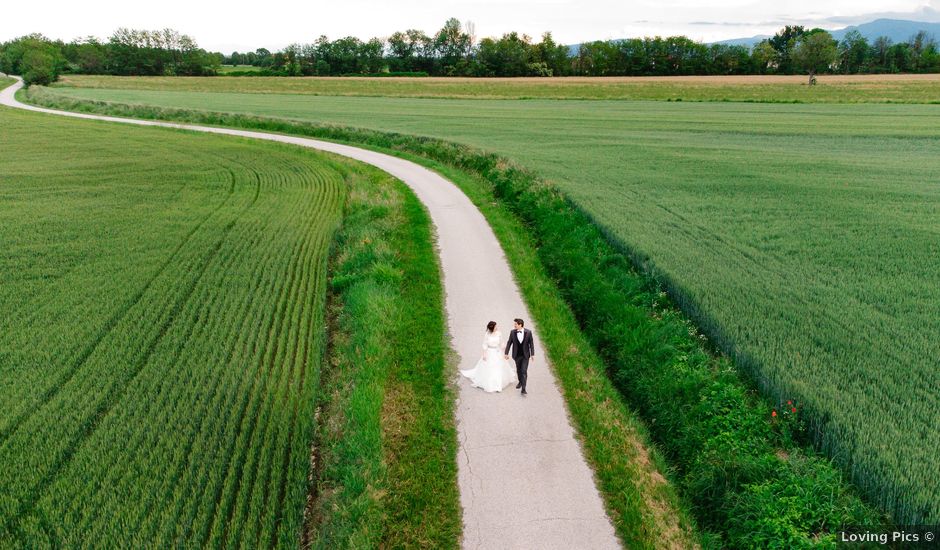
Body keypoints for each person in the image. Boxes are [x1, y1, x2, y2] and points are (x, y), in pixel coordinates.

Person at [460, 321, 518, 393]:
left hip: (497, 352)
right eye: (496, 326)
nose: (497, 327)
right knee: (489, 367)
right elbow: (485, 344)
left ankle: (498, 385)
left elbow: (501, 343)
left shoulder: (499, 333)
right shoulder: (487, 334)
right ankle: (491, 384)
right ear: (492, 328)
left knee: (498, 367)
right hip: (490, 352)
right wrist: (484, 354)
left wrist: (505, 353)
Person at [504, 318, 535, 395]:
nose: (514, 325)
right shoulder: (512, 332)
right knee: (518, 370)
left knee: (524, 371)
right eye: (514, 324)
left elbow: (531, 344)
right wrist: (506, 353)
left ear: (520, 325)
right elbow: (509, 343)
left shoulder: (528, 332)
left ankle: (524, 388)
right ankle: (520, 382)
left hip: (525, 355)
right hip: (516, 355)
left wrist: (532, 354)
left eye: (515, 324)